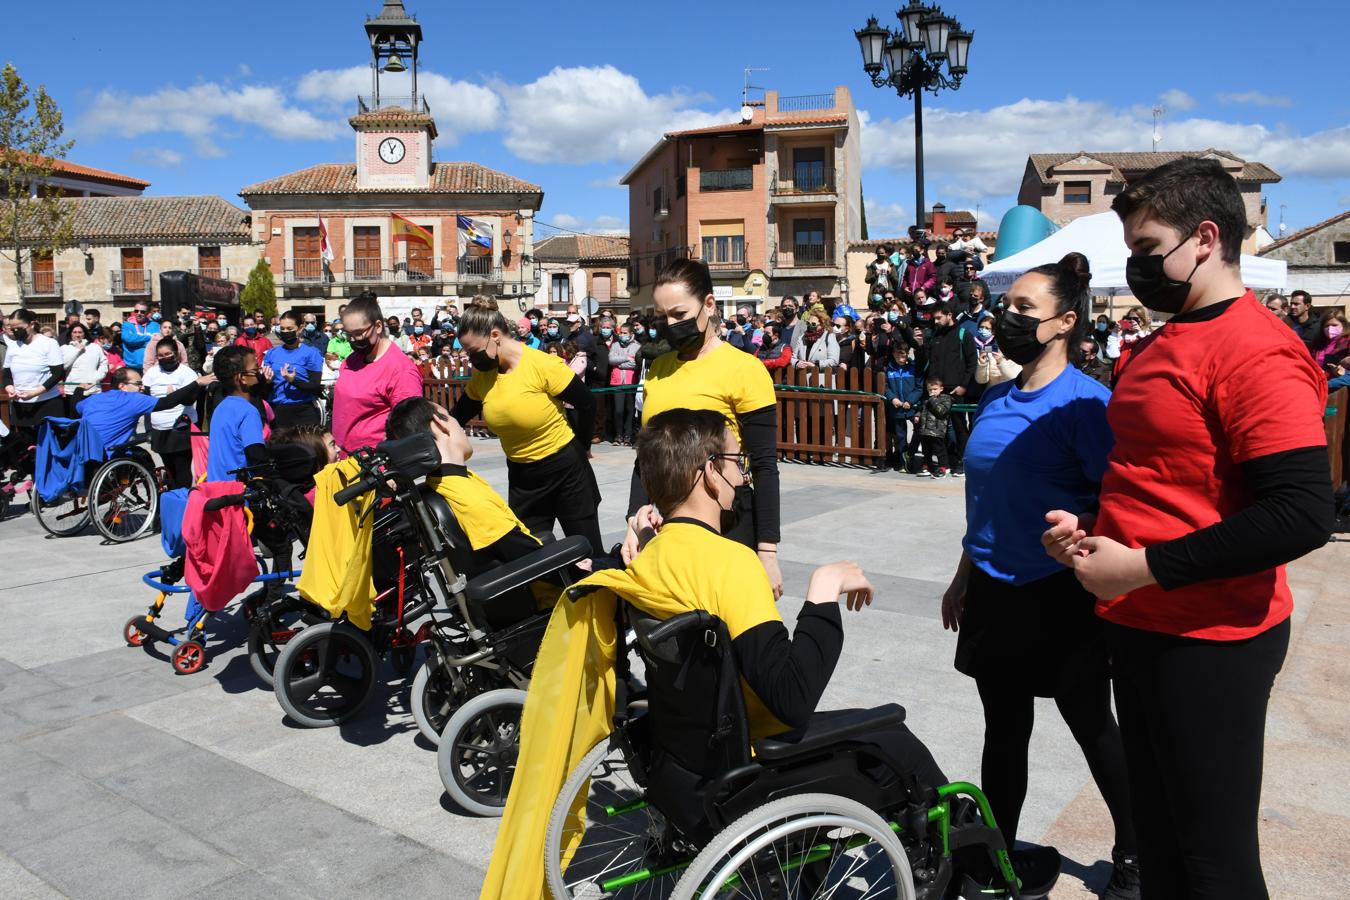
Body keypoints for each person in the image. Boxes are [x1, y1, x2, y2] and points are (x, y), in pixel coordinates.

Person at [482, 407, 949, 898]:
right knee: (898, 742)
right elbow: (790, 696)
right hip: (747, 762)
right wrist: (823, 590)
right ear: (707, 472)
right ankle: (971, 871)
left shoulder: (649, 558)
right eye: (735, 460)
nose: (742, 473)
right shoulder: (730, 562)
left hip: (683, 762)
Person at [1044, 157, 1333, 899]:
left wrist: (1142, 567)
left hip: (1211, 639)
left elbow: (1302, 512)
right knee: (1162, 844)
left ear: (1205, 238)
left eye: (1147, 249)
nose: (1137, 268)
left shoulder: (1258, 349)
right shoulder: (1164, 340)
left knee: (1213, 860)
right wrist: (1092, 530)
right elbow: (1165, 476)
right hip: (1141, 624)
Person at [945, 255, 1137, 899]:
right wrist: (963, 575)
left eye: (1026, 310)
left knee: (1091, 723)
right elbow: (988, 499)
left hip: (1060, 592)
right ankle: (1001, 859)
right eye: (1010, 307)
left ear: (1065, 322)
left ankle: (1134, 854)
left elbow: (1122, 500)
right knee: (1004, 730)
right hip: (995, 589)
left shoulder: (1088, 404)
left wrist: (1083, 526)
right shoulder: (997, 396)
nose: (1010, 318)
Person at [623, 258, 784, 596]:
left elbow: (765, 465)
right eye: (662, 317)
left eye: (679, 315)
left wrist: (767, 551)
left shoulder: (744, 369)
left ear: (709, 304)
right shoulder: (658, 369)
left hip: (729, 519)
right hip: (670, 524)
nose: (670, 325)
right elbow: (646, 457)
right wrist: (633, 521)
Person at [449, 298, 603, 554]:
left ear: (495, 335)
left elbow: (587, 403)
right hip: (523, 479)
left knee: (588, 553)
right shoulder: (484, 377)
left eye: (474, 351)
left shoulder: (541, 365)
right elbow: (457, 416)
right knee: (532, 561)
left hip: (566, 471)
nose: (471, 359)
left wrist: (584, 446)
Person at [386, 397, 543, 569]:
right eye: (449, 415)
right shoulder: (466, 497)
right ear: (439, 423)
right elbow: (530, 557)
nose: (459, 424)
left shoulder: (442, 484)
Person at [330, 294, 425, 455]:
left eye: (359, 333)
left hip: (375, 467)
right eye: (349, 334)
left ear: (378, 326)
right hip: (343, 461)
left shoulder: (400, 369)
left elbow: (409, 430)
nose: (353, 340)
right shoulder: (350, 361)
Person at [77, 366, 212, 451]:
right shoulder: (132, 399)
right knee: (143, 456)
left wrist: (78, 389)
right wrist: (196, 383)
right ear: (122, 386)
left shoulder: (93, 399)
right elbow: (166, 403)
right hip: (110, 452)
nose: (142, 387)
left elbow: (75, 407)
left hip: (86, 451)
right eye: (138, 384)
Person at [142, 341, 201, 488]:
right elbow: (147, 402)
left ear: (176, 353)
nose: (164, 358)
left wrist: (176, 395)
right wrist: (148, 428)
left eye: (168, 354)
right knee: (168, 468)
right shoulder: (152, 373)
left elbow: (190, 400)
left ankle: (184, 502)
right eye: (160, 355)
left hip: (181, 429)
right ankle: (172, 499)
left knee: (182, 469)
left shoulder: (186, 373)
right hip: (159, 429)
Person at [205, 346, 267, 483]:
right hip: (238, 496)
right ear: (242, 378)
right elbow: (257, 458)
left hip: (217, 490)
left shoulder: (221, 407)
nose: (259, 373)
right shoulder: (248, 411)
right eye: (256, 370)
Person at [928, 303, 977, 475]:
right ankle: (945, 462)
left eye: (939, 317)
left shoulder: (964, 334)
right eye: (934, 318)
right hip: (937, 390)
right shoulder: (935, 335)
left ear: (949, 315)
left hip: (955, 390)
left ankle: (961, 461)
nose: (936, 321)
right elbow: (931, 362)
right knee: (937, 428)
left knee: (959, 427)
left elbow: (972, 363)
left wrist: (963, 385)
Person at [4, 309, 67, 441]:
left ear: (31, 324)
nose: (15, 332)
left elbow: (58, 374)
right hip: (21, 405)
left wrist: (34, 392)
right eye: (12, 328)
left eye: (19, 328)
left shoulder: (48, 343)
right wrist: (10, 388)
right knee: (25, 446)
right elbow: (7, 373)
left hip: (47, 403)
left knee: (50, 444)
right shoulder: (13, 346)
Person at [262, 309, 325, 429]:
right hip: (278, 410)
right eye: (283, 328)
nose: (285, 332)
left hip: (303, 410)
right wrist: (266, 381)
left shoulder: (312, 353)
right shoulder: (272, 354)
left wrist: (293, 381)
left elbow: (315, 386)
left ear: (300, 328)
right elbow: (266, 388)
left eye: (290, 329)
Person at [881, 341, 921, 472]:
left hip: (912, 406)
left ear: (907, 354)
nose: (901, 359)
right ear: (893, 355)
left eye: (903, 356)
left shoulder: (914, 368)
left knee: (919, 430)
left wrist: (910, 400)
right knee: (900, 435)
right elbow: (885, 387)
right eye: (898, 356)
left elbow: (919, 387)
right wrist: (893, 399)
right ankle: (904, 461)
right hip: (897, 408)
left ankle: (911, 454)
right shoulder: (889, 369)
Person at [61, 322, 108, 412]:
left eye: (80, 332)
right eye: (75, 332)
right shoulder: (64, 348)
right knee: (74, 417)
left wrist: (98, 377)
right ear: (70, 334)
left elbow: (104, 363)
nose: (77, 335)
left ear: (84, 333)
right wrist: (77, 351)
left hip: (93, 389)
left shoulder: (95, 347)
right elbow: (64, 365)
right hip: (73, 390)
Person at [607, 322, 640, 446]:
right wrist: (626, 358)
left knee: (630, 409)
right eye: (621, 332)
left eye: (625, 333)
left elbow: (635, 364)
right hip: (617, 382)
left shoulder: (637, 346)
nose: (622, 335)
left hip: (631, 381)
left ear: (631, 334)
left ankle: (628, 435)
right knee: (618, 410)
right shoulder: (615, 345)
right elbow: (611, 360)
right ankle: (618, 435)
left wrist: (619, 362)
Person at [915, 377, 953, 477]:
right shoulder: (926, 399)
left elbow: (942, 411)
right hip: (925, 430)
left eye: (935, 389)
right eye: (930, 390)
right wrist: (917, 415)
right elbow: (921, 408)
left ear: (941, 388)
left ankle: (943, 467)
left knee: (939, 450)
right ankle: (927, 466)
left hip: (937, 430)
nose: (932, 392)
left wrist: (932, 399)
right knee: (926, 450)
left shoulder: (946, 398)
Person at [120, 303, 156, 372]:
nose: (139, 313)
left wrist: (136, 342)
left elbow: (156, 342)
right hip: (131, 366)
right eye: (136, 311)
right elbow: (128, 339)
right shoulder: (127, 325)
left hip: (151, 366)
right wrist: (148, 338)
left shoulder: (155, 325)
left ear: (147, 313)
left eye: (142, 312)